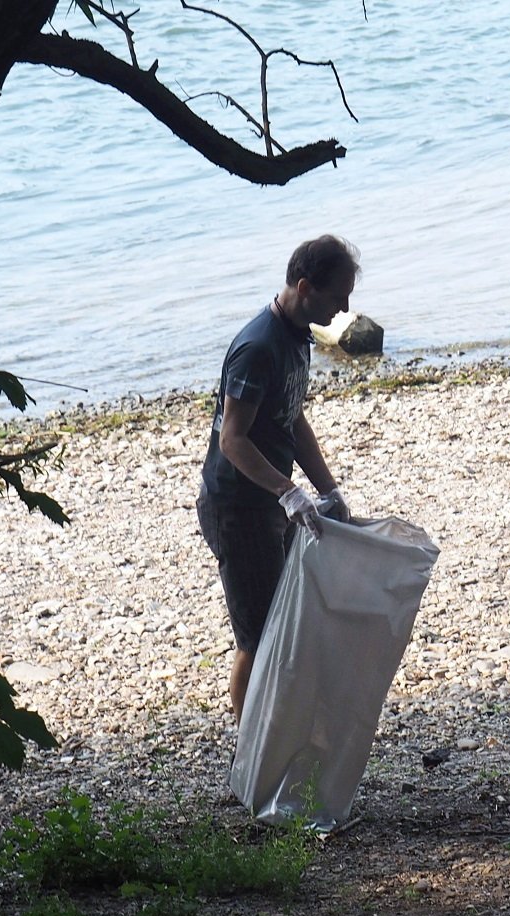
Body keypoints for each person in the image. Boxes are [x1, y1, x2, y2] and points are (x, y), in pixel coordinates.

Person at [197, 234, 360, 720]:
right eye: (338, 297)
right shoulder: (258, 347)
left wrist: (327, 488)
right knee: (257, 633)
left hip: (269, 501)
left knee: (288, 617)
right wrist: (290, 492)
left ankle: (280, 729)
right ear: (305, 286)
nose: (345, 308)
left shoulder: (296, 338)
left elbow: (292, 417)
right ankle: (248, 751)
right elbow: (232, 439)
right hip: (236, 508)